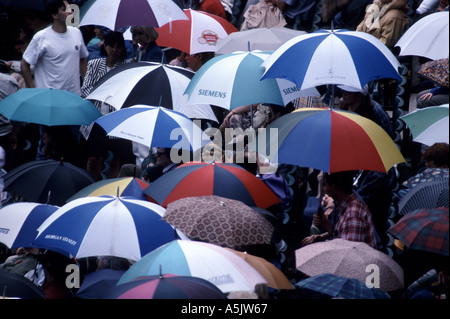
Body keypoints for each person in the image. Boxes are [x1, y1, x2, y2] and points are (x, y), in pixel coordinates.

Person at [20, 0, 89, 166]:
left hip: (73, 100)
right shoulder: (41, 37)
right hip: (48, 102)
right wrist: (33, 91)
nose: (69, 12)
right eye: (64, 9)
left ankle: (70, 186)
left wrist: (85, 83)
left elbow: (83, 58)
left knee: (72, 146)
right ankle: (38, 186)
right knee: (47, 146)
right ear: (54, 15)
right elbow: (25, 63)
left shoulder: (76, 33)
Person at [338, 84, 396, 249]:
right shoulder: (361, 110)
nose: (343, 94)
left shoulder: (369, 116)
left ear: (359, 95)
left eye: (348, 91)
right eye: (343, 90)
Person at [80, 31, 134, 181]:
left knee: (117, 159)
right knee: (93, 158)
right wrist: (104, 92)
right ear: (105, 46)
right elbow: (85, 90)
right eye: (111, 46)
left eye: (118, 47)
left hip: (117, 118)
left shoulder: (126, 67)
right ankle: (91, 184)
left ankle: (112, 187)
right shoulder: (94, 64)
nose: (114, 50)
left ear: (122, 49)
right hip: (96, 118)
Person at [301, 170, 378, 249]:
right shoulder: (343, 204)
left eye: (324, 185)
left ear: (333, 187)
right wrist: (324, 226)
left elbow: (349, 254)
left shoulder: (353, 214)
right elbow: (339, 233)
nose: (324, 190)